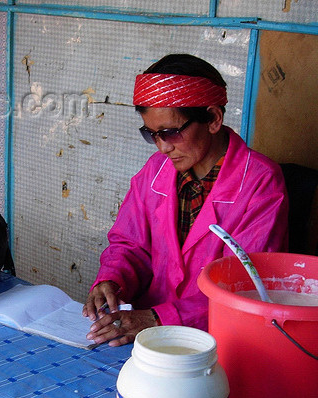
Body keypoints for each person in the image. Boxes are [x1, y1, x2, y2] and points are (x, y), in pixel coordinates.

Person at [83, 54, 288, 347]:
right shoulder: (156, 171)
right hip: (147, 330)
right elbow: (131, 245)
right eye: (151, 134)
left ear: (213, 119)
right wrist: (111, 280)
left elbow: (247, 286)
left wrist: (158, 318)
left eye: (171, 132)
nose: (163, 147)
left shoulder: (259, 182)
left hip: (219, 339)